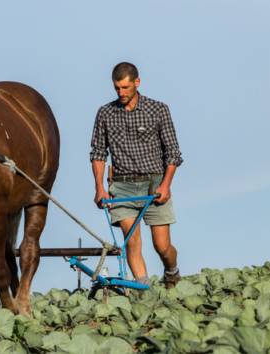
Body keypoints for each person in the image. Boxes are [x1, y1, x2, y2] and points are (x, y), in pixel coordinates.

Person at [90, 62, 183, 290]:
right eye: (116, 88)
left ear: (136, 83)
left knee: (162, 247)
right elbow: (98, 153)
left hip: (155, 185)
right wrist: (99, 188)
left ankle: (172, 272)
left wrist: (166, 185)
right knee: (132, 242)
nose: (121, 93)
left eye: (125, 87)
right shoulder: (105, 113)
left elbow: (173, 152)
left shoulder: (159, 109)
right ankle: (145, 293)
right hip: (122, 188)